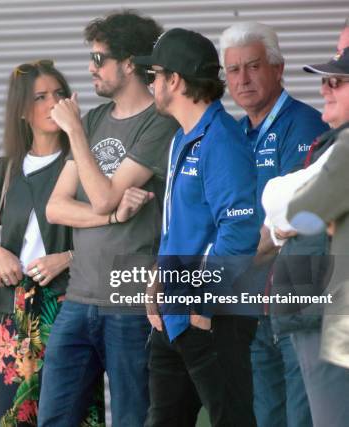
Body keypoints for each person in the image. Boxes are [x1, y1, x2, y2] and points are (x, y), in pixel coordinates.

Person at [39, 12, 178, 426]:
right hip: (79, 300)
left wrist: (75, 136)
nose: (90, 68)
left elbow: (101, 198)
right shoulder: (95, 119)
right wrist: (114, 217)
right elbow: (56, 206)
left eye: (99, 59)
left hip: (131, 305)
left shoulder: (160, 122)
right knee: (54, 418)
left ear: (129, 63)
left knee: (134, 419)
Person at [0, 60, 108, 426]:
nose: (52, 104)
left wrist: (68, 257)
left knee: (74, 413)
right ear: (23, 112)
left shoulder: (82, 163)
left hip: (70, 307)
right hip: (14, 314)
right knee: (17, 416)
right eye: (40, 97)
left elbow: (109, 230)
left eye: (59, 94)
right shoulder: (6, 169)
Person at [136, 28, 261, 426]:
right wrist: (158, 281)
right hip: (174, 316)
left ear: (174, 80)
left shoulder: (221, 140)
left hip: (211, 318)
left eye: (154, 74)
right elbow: (178, 228)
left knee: (231, 419)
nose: (150, 83)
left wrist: (205, 302)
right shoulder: (181, 139)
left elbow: (239, 231)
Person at [220, 21, 329, 427]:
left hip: (295, 296)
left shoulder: (305, 125)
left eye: (253, 66)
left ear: (278, 69)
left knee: (303, 417)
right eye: (233, 70)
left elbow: (289, 221)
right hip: (252, 305)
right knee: (266, 417)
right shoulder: (233, 133)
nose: (243, 80)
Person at [262, 31, 349, 426]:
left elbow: (295, 207)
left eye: (338, 81)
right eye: (325, 80)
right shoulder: (330, 142)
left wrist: (287, 219)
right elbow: (278, 208)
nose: (326, 90)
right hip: (309, 311)